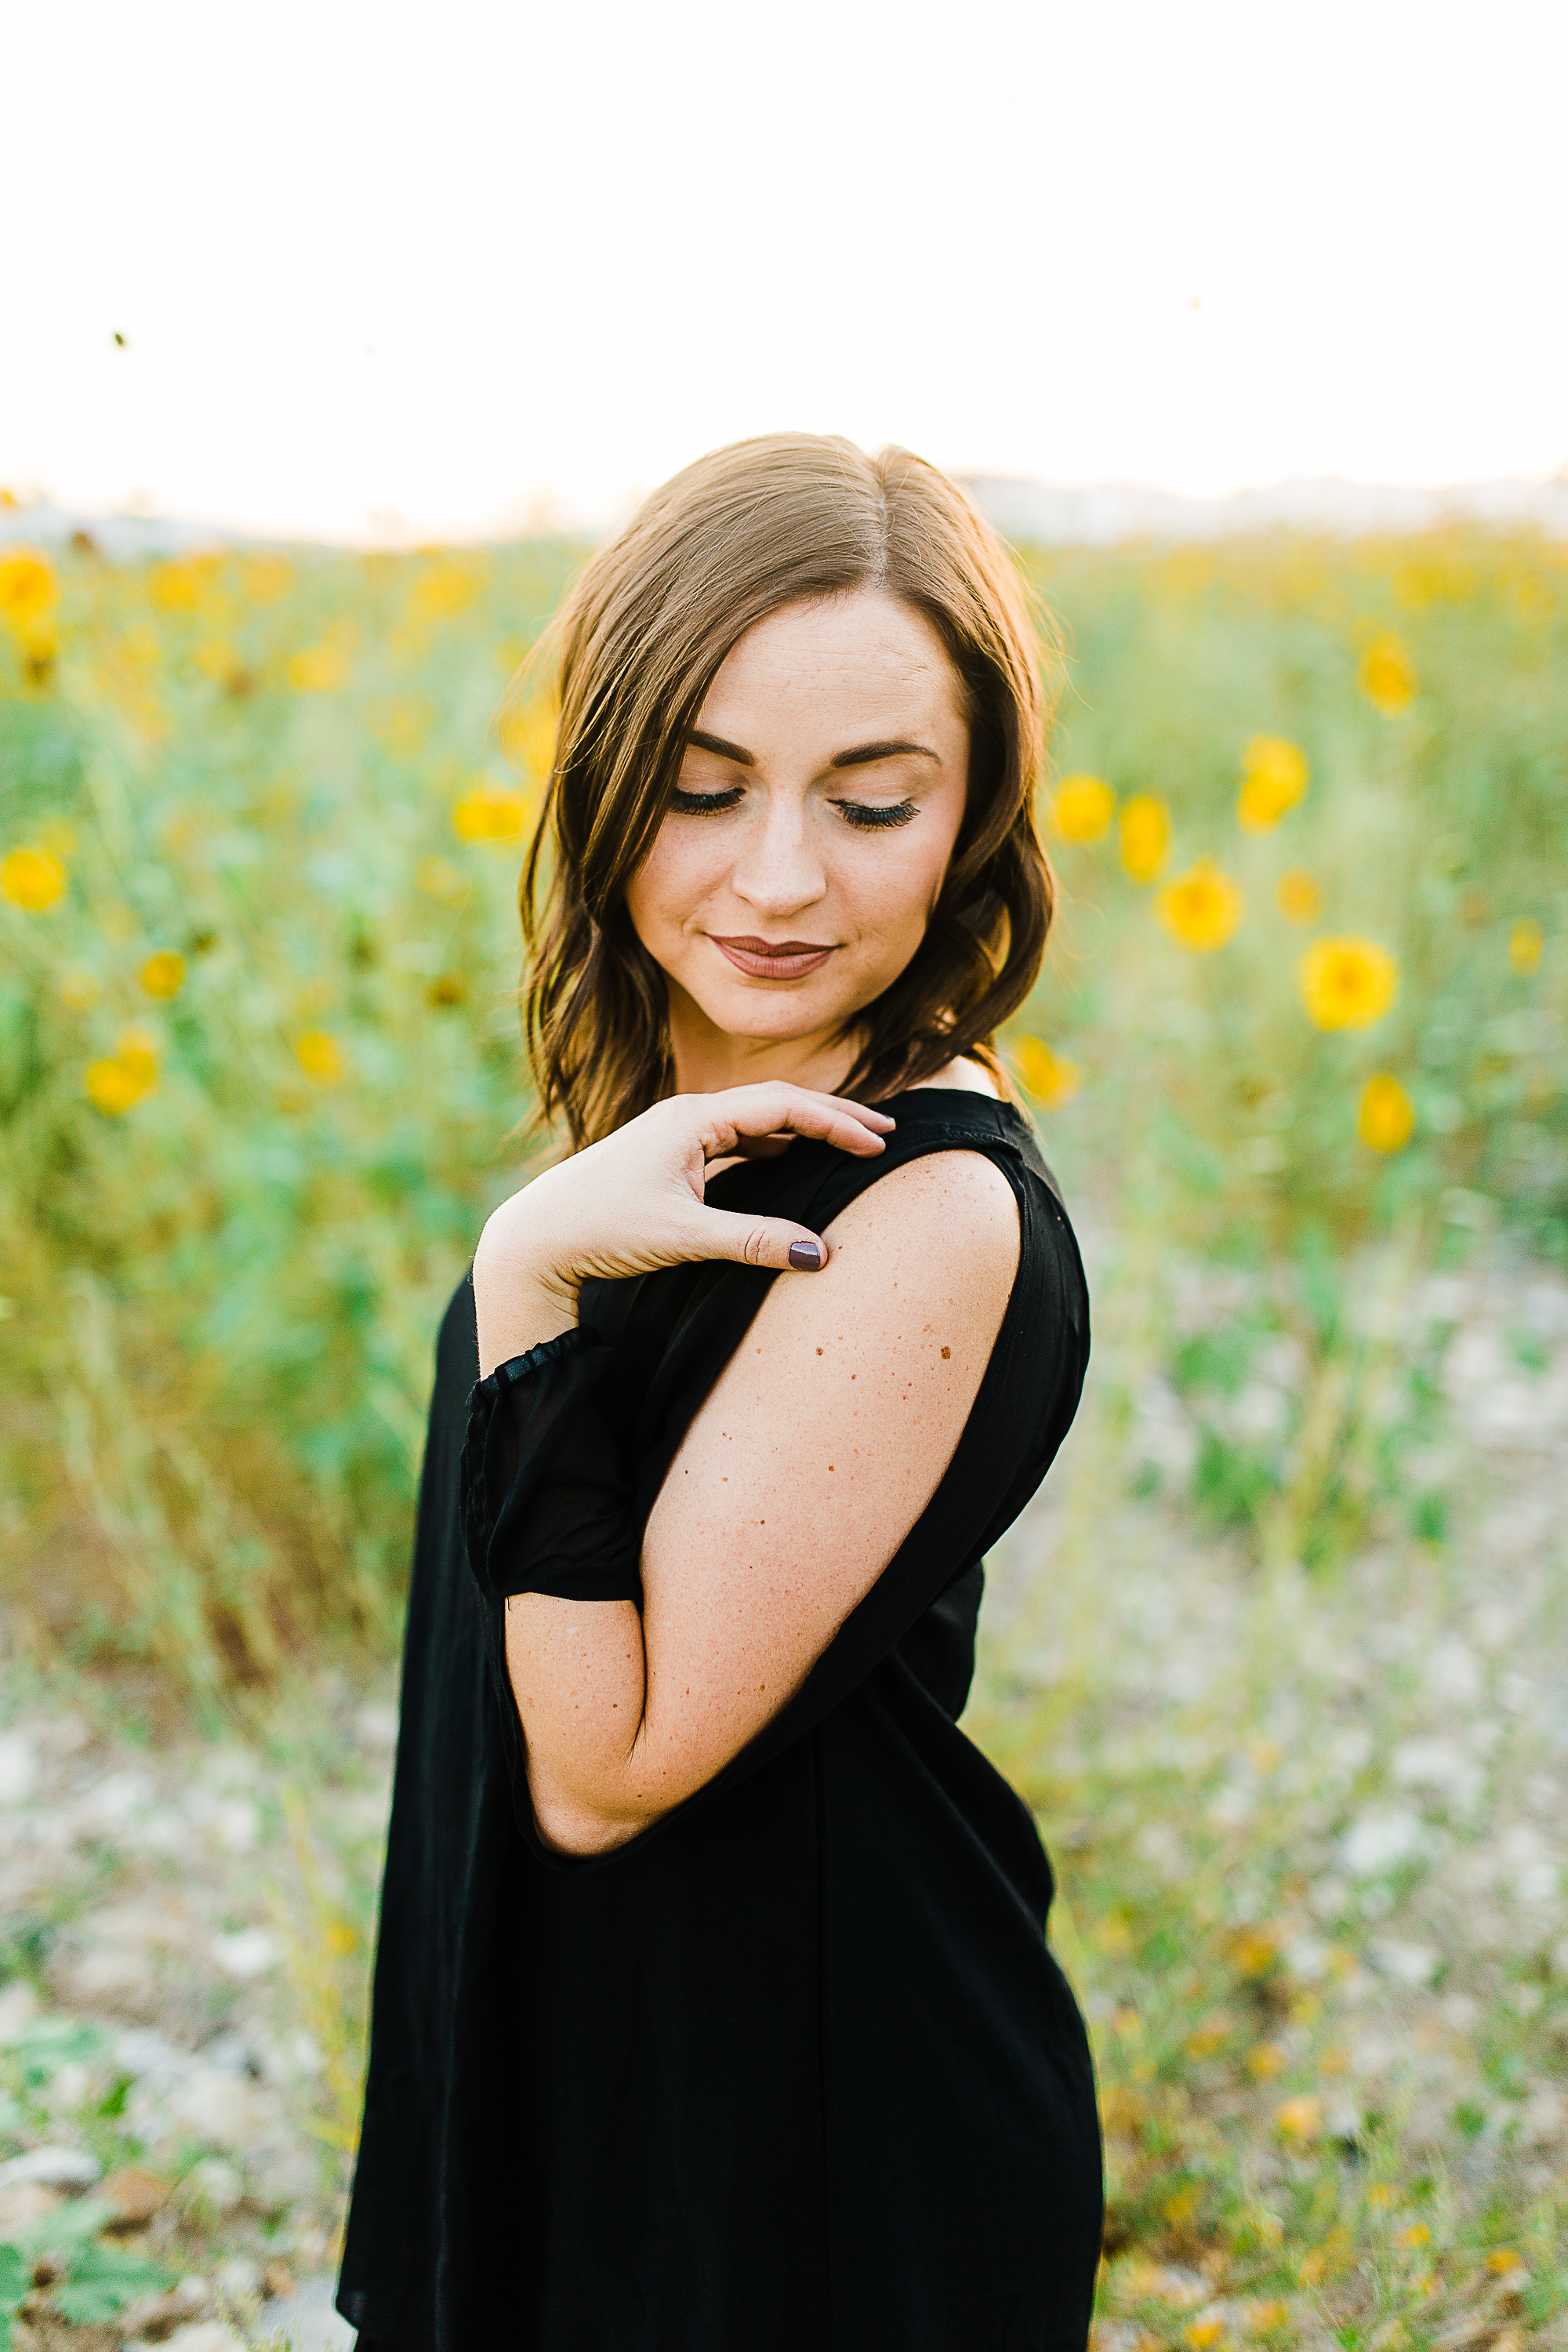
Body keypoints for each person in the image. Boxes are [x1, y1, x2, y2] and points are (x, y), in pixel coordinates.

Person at [338, 434, 1102, 2352]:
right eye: (700, 789)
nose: (778, 878)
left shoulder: (921, 1209)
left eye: (872, 802)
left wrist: (525, 1274)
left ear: (972, 815)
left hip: (805, 2140)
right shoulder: (695, 1125)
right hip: (618, 2064)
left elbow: (606, 1776)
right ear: (606, 784)